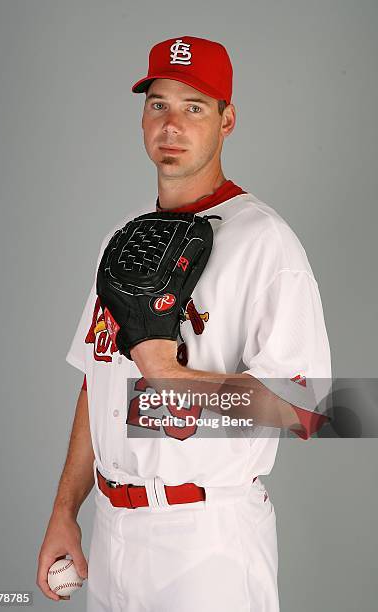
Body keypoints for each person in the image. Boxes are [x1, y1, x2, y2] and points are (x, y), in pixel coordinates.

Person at [37, 36, 331, 611]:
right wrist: (64, 512)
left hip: (207, 540)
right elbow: (96, 383)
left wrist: (169, 377)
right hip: (111, 532)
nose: (171, 124)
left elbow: (310, 409)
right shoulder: (123, 238)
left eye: (194, 107)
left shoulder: (263, 241)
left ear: (228, 119)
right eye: (158, 105)